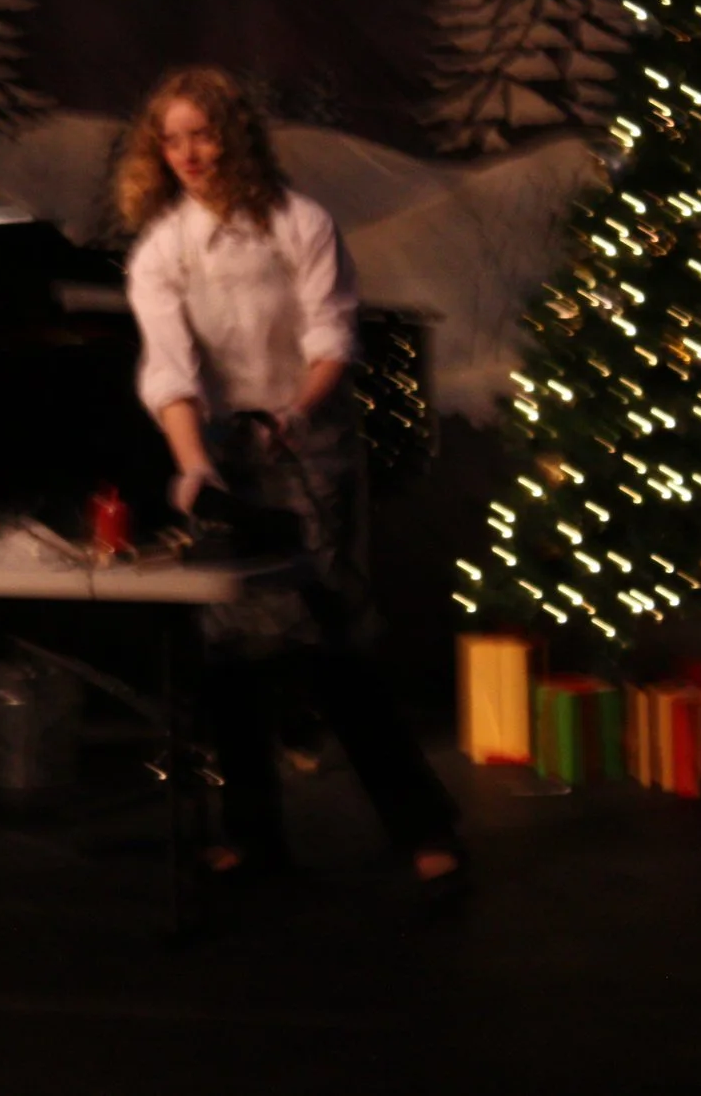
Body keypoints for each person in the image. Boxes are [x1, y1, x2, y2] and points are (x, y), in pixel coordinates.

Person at [117, 67, 465, 889]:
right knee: (229, 655)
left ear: (234, 135)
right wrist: (196, 464)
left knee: (331, 641)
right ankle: (254, 838)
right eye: (172, 139)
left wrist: (295, 417)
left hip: (310, 452)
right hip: (225, 455)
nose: (188, 153)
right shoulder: (162, 249)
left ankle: (424, 828)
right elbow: (169, 372)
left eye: (202, 134)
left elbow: (332, 338)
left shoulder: (300, 222)